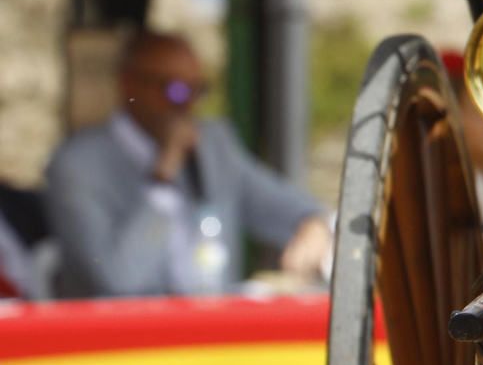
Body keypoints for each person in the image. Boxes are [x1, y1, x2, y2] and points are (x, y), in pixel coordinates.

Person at [45, 31, 330, 297]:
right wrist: (162, 181)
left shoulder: (214, 143)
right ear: (128, 85)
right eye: (177, 92)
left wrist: (312, 222)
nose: (188, 106)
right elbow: (118, 279)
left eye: (198, 91)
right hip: (126, 341)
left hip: (213, 332)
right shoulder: (77, 167)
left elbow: (281, 205)